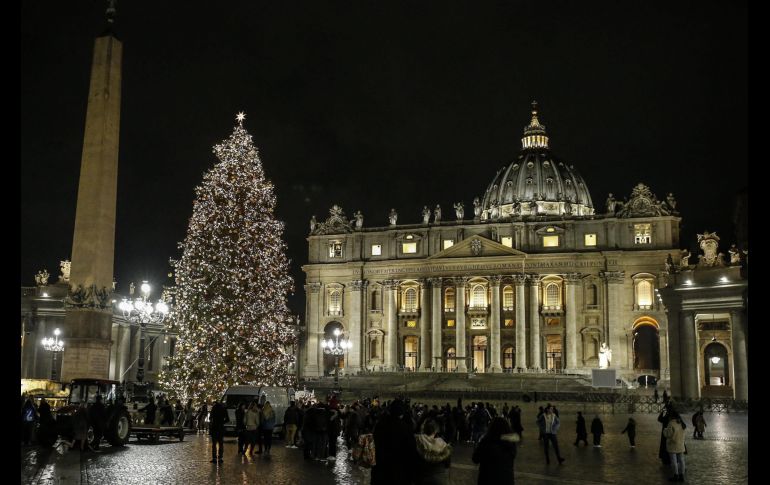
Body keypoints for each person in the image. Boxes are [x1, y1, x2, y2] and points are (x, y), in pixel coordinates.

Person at [372, 399, 418, 485]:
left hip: (381, 469)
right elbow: (411, 452)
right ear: (402, 413)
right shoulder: (406, 428)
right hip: (399, 472)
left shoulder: (380, 425)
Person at [414, 419, 452, 485]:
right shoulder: (443, 445)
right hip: (440, 479)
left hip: (422, 478)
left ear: (423, 429)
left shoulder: (417, 442)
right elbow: (447, 466)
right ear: (436, 431)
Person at [664, 411, 687, 482]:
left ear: (671, 416)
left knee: (674, 461)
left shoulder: (671, 423)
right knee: (681, 460)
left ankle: (676, 475)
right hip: (681, 444)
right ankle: (682, 475)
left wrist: (665, 430)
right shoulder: (682, 423)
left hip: (673, 445)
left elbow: (668, 435)